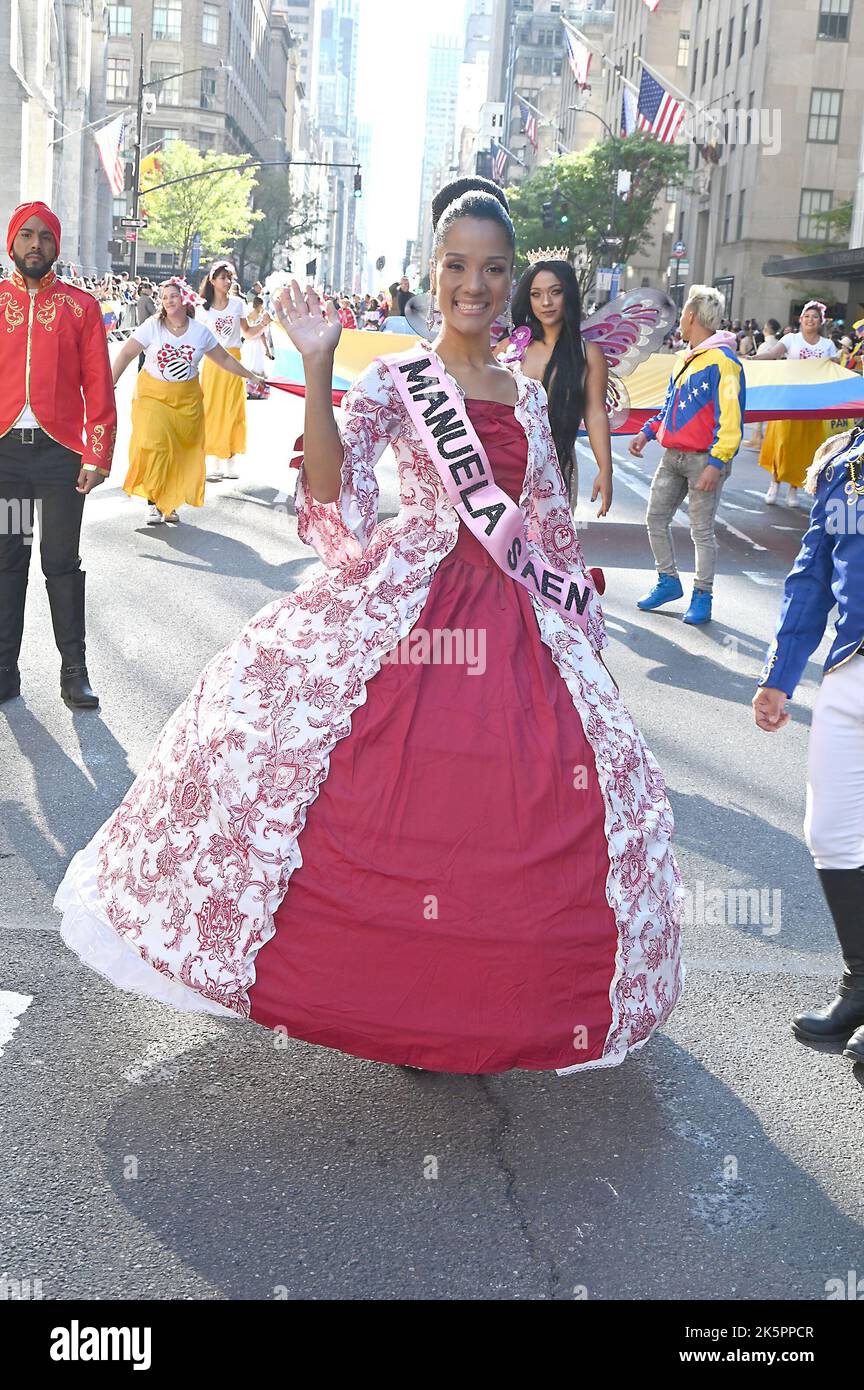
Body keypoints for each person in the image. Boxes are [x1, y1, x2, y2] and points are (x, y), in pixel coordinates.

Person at [54, 179, 682, 1076]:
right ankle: (389, 997)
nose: (477, 284)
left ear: (511, 280)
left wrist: (571, 613)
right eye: (458, 266)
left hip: (512, 614)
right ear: (433, 273)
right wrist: (318, 363)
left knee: (511, 810)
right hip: (413, 596)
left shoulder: (525, 387)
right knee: (354, 778)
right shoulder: (397, 378)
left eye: (494, 269)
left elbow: (541, 521)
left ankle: (472, 1007)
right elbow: (333, 495)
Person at [753, 424, 864, 1067]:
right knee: (833, 835)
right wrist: (780, 673)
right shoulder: (844, 456)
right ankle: (862, 983)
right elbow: (813, 572)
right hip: (849, 671)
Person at [0, 200, 116, 710]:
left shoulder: (80, 307)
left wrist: (97, 454)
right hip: (6, 462)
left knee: (60, 561)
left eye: (45, 237)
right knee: (8, 559)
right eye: (26, 235)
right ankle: (5, 669)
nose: (35, 245)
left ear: (56, 246)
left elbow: (99, 386)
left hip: (59, 458)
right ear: (12, 243)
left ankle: (75, 672)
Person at [630, 284, 745, 626]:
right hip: (673, 456)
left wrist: (717, 462)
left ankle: (702, 595)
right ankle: (668, 581)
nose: (680, 319)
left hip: (703, 461)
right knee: (655, 518)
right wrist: (648, 431)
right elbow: (671, 406)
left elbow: (732, 416)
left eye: (682, 313)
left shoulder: (725, 362)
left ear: (692, 316)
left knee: (701, 532)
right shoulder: (686, 358)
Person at [111, 278, 264, 525]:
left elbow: (224, 360)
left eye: (173, 295)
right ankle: (153, 501)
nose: (169, 300)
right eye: (164, 297)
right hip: (153, 396)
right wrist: (110, 384)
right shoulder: (152, 326)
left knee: (180, 453)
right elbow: (126, 354)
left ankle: (169, 502)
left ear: (184, 299)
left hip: (187, 401)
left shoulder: (199, 332)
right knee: (155, 445)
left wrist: (252, 376)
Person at [496, 254, 613, 515]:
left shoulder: (588, 355)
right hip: (503, 469)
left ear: (568, 294)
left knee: (551, 551)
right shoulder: (509, 347)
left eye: (555, 292)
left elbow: (595, 413)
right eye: (536, 294)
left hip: (557, 469)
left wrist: (606, 470)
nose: (546, 302)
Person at [757, 301, 838, 508]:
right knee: (782, 443)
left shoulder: (827, 345)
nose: (811, 320)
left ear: (821, 322)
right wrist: (753, 358)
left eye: (815, 317)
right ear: (801, 319)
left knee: (804, 446)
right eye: (807, 316)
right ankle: (774, 484)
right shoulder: (791, 339)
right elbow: (774, 354)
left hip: (813, 403)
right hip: (788, 399)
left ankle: (793, 488)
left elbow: (835, 369)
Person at [197, 260, 267, 481]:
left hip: (234, 361)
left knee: (233, 410)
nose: (227, 282)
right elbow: (198, 340)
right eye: (223, 278)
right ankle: (214, 459)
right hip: (213, 363)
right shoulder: (202, 308)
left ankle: (230, 459)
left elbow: (246, 333)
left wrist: (264, 323)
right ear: (212, 280)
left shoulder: (237, 304)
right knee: (212, 409)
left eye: (229, 278)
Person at [242, 295, 272, 399]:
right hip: (257, 344)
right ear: (260, 305)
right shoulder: (261, 317)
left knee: (248, 365)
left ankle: (247, 389)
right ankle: (257, 391)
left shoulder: (248, 315)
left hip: (248, 343)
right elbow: (262, 335)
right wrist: (267, 349)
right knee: (258, 367)